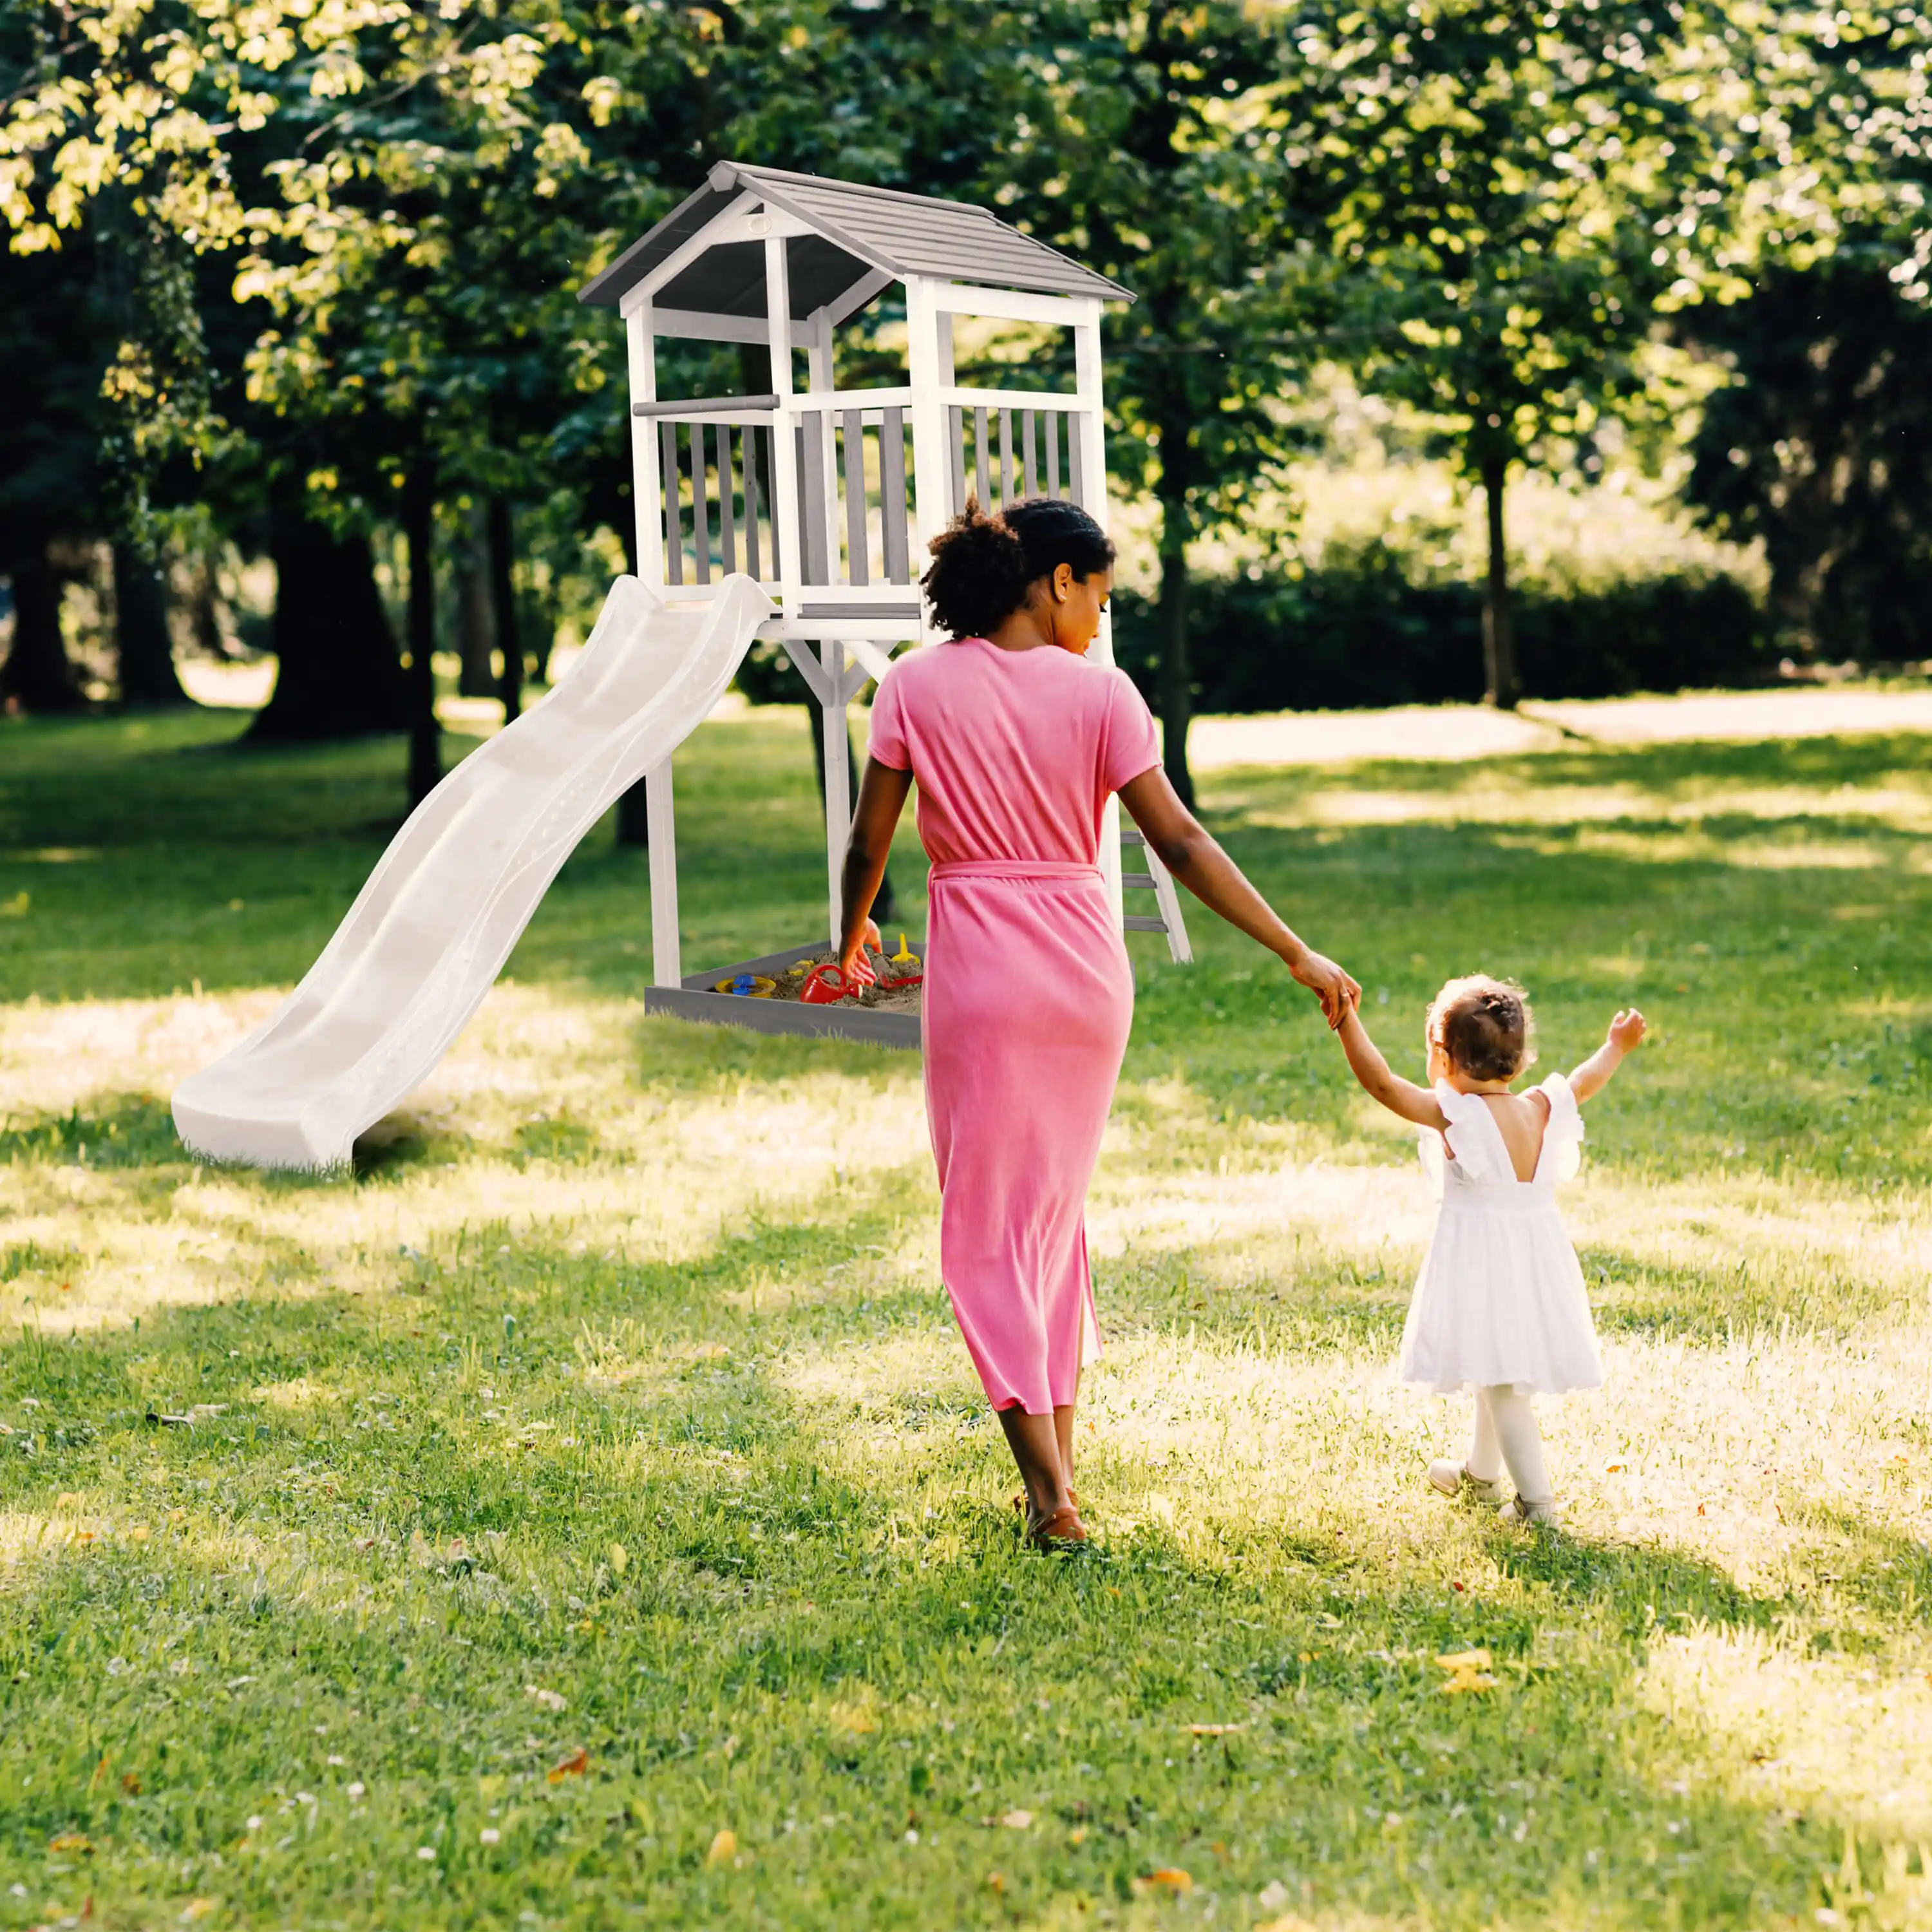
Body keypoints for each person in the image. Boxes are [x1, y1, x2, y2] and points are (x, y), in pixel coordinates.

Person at [836, 498, 1359, 1549]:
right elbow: (1181, 842)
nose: (1100, 622)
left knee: (987, 1231)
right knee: (1047, 1222)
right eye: (1100, 598)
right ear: (1057, 581)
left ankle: (1048, 1496)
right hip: (1085, 975)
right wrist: (1293, 948)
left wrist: (847, 939)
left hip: (982, 976)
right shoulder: (1105, 697)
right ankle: (1058, 1479)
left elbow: (869, 843)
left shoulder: (912, 685)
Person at [1332, 974, 1647, 1525]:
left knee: (1503, 1386)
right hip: (1534, 1261)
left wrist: (1346, 1020)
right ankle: (1481, 1475)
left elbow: (1382, 1084)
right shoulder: (1541, 1106)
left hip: (1485, 1264)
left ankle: (1538, 1506)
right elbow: (1584, 1080)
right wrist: (1615, 1047)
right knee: (1491, 1363)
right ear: (1520, 1061)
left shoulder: (1456, 1115)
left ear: (1443, 1057)